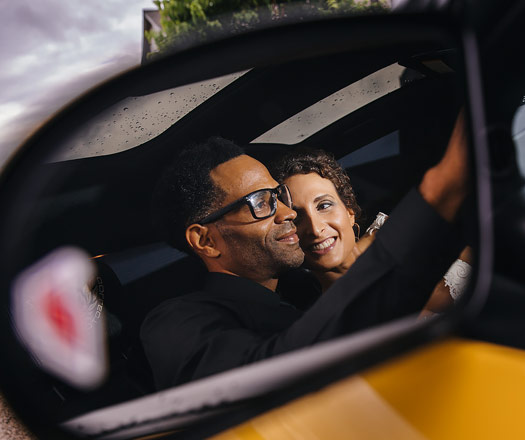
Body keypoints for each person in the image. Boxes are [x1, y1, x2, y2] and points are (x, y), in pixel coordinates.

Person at [141, 116, 468, 389]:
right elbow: (273, 377)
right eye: (261, 203)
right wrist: (437, 196)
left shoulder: (301, 293)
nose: (288, 213)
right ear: (206, 241)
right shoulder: (174, 322)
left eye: (278, 195)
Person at [272, 147, 473, 314]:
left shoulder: (405, 234)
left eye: (324, 206)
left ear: (349, 211)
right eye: (297, 217)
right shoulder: (325, 321)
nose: (315, 229)